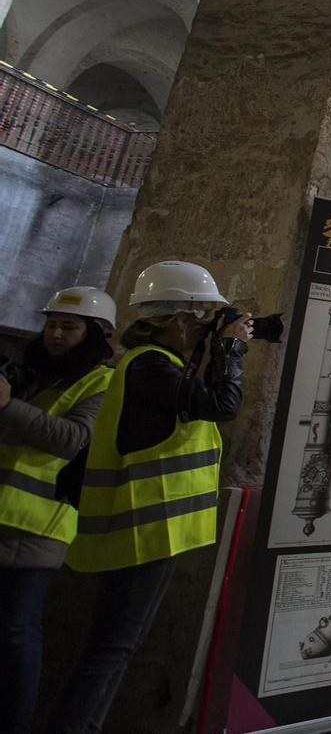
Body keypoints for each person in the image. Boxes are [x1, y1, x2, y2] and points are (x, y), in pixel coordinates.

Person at [45, 261, 251, 734]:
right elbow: (222, 405)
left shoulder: (156, 364)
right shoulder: (151, 367)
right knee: (111, 649)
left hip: (147, 523)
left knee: (113, 648)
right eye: (203, 316)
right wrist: (230, 350)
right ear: (180, 318)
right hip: (141, 525)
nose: (206, 327)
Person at [0, 287, 118, 734]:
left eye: (69, 327)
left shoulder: (102, 382)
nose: (55, 334)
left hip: (38, 523)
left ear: (94, 334)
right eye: (51, 324)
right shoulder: (34, 374)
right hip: (5, 514)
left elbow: (74, 439)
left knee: (16, 631)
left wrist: (7, 406)